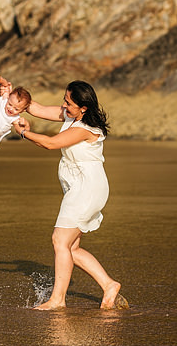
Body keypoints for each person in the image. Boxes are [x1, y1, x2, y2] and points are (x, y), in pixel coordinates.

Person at [12, 79, 123, 310]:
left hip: (88, 188)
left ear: (84, 107)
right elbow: (36, 108)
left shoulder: (85, 129)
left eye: (68, 102)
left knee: (59, 240)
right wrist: (11, 96)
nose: (64, 105)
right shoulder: (72, 116)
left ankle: (57, 300)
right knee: (71, 248)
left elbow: (51, 144)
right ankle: (109, 285)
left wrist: (24, 133)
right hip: (80, 188)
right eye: (64, 99)